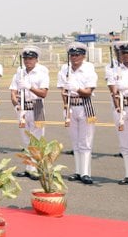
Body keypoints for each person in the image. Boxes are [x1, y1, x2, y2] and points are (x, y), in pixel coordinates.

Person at [58, 43, 98, 184]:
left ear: (83, 56)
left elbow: (88, 92)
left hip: (85, 106)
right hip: (71, 106)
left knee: (85, 142)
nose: (74, 58)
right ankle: (78, 171)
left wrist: (77, 88)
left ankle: (86, 173)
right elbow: (62, 90)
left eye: (77, 55)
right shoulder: (65, 69)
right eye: (72, 55)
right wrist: (66, 106)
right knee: (75, 142)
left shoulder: (89, 70)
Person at [9, 46, 50, 178]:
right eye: (25, 58)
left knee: (36, 141)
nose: (28, 61)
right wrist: (16, 106)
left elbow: (43, 93)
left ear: (36, 59)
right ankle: (28, 168)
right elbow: (13, 93)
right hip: (22, 109)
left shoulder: (42, 74)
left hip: (37, 107)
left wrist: (29, 87)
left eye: (31, 58)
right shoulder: (19, 74)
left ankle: (36, 168)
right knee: (26, 141)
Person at [110, 41, 128, 187]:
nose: (126, 55)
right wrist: (117, 106)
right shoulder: (115, 69)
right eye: (124, 53)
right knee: (124, 144)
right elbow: (112, 90)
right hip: (121, 107)